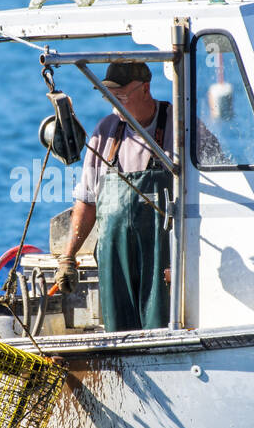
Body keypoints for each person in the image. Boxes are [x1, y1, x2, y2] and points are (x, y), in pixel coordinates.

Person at [55, 61, 173, 332]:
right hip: (114, 262)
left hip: (162, 261)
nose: (114, 103)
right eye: (108, 96)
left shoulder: (181, 126)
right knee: (117, 332)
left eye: (120, 96)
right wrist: (67, 258)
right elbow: (87, 202)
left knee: (160, 327)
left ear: (145, 88)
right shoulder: (105, 132)